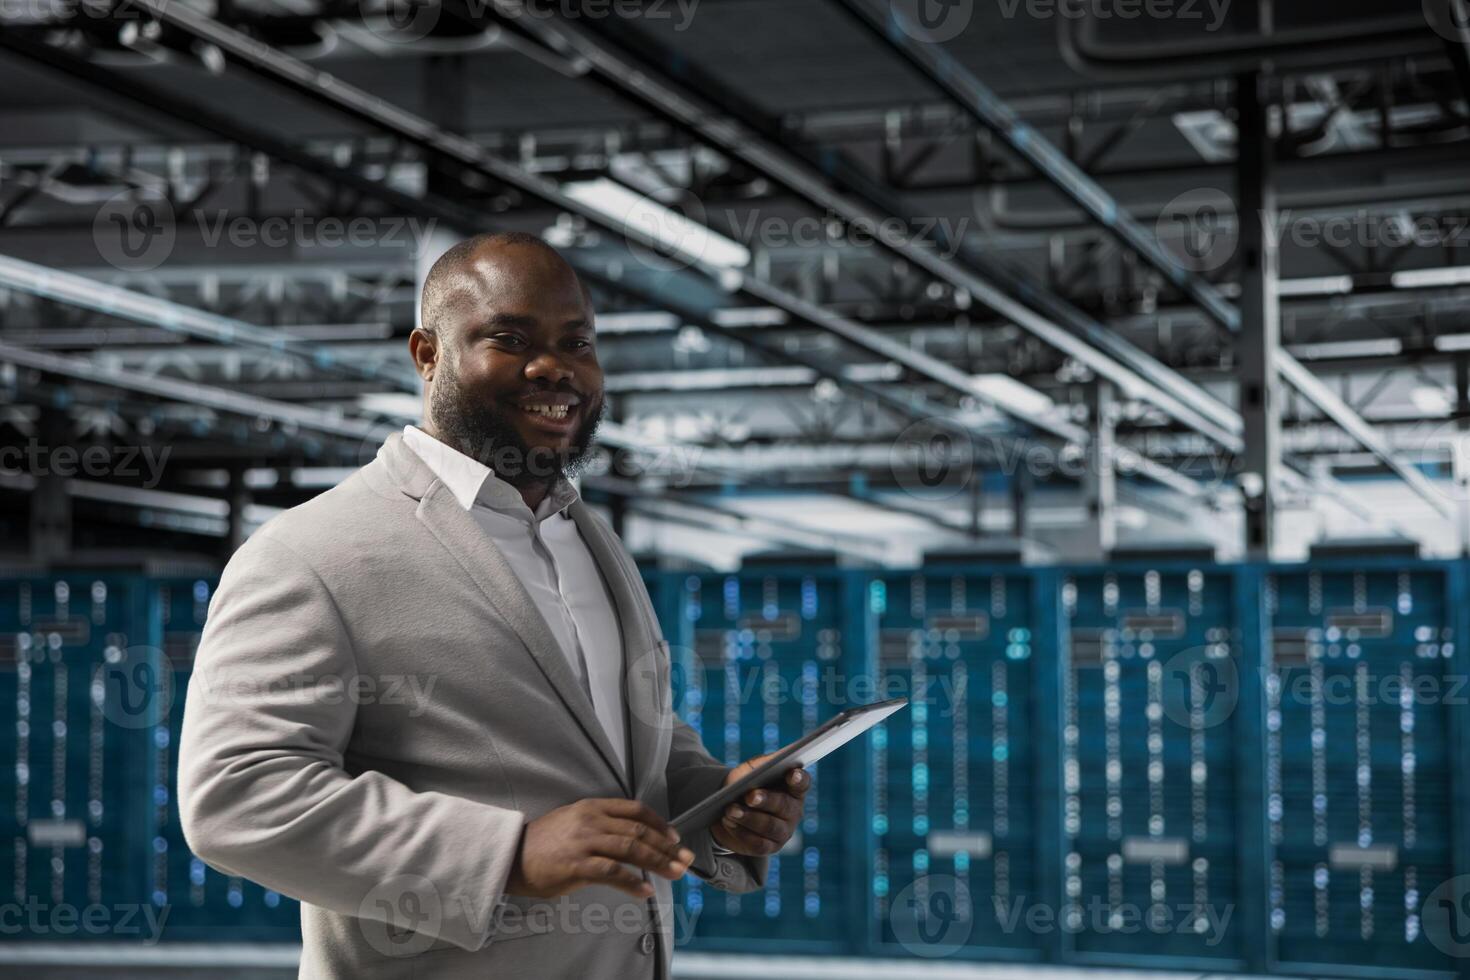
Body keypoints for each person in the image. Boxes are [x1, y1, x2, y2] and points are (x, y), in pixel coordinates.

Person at [177, 232, 809, 979]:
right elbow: (238, 795)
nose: (555, 367)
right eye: (510, 338)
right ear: (427, 354)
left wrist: (717, 802)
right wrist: (507, 854)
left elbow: (622, 738)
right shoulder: (312, 553)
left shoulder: (590, 540)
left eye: (577, 341)